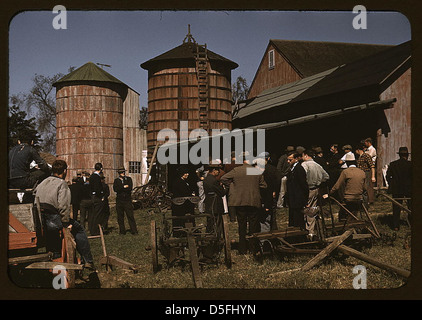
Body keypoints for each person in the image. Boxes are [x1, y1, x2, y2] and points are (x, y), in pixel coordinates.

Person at [34, 160, 94, 269]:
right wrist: (66, 222)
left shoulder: (43, 182)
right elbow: (64, 206)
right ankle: (88, 260)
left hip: (40, 220)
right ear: (65, 171)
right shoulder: (62, 184)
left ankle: (54, 253)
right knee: (79, 229)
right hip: (53, 218)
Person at [220, 152, 267, 254]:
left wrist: (232, 186)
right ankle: (253, 248)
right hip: (253, 201)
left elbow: (223, 178)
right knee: (253, 225)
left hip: (240, 201)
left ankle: (242, 248)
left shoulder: (237, 170)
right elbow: (264, 185)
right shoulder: (255, 171)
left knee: (241, 225)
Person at [301, 149, 330, 239]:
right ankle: (311, 231)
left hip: (307, 189)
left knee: (305, 210)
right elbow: (326, 176)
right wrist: (319, 181)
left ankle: (307, 231)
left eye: (302, 156)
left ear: (306, 155)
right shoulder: (318, 165)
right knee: (312, 210)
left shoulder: (304, 165)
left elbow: (302, 176)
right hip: (316, 189)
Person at [329, 153, 367, 221]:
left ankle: (345, 226)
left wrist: (330, 193)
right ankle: (352, 223)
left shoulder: (345, 172)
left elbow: (337, 186)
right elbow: (364, 188)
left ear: (347, 162)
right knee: (354, 211)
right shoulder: (362, 172)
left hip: (348, 198)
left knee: (342, 213)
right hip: (359, 198)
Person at [386, 147, 412, 231]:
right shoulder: (411, 164)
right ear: (407, 155)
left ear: (399, 155)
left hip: (397, 188)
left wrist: (392, 183)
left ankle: (396, 226)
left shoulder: (393, 164)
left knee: (396, 207)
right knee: (411, 206)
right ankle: (411, 223)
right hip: (409, 188)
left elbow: (387, 176)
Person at [285, 152, 309, 229]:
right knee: (293, 219)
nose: (288, 161)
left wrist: (305, 199)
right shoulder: (292, 169)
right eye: (288, 160)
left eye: (290, 160)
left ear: (295, 159)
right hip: (293, 198)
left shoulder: (299, 169)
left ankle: (299, 236)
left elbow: (303, 185)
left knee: (298, 219)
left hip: (298, 198)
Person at [171, 165, 196, 237]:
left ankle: (186, 232)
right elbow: (184, 193)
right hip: (181, 206)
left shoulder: (183, 181)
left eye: (187, 173)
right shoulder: (179, 182)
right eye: (185, 173)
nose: (187, 174)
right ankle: (182, 233)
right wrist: (191, 195)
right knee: (181, 221)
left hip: (183, 204)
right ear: (181, 174)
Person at [258, 152, 280, 231]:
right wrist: (275, 192)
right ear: (268, 159)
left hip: (260, 196)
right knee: (272, 217)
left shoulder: (256, 169)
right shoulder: (273, 169)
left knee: (263, 218)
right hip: (271, 196)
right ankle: (273, 232)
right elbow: (278, 183)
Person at [113, 167, 138, 235]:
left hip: (127, 200)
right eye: (121, 172)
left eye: (123, 172)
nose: (123, 173)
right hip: (119, 200)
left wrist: (122, 188)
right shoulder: (116, 181)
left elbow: (129, 188)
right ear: (119, 173)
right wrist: (124, 187)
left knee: (130, 215)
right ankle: (122, 231)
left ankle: (134, 230)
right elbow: (115, 189)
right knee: (120, 216)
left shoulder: (129, 179)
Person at [88, 163, 105, 236]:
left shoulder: (91, 176)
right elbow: (97, 188)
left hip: (92, 196)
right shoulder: (97, 177)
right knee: (97, 214)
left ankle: (91, 229)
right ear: (101, 168)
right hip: (97, 197)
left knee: (93, 214)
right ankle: (95, 231)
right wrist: (101, 196)